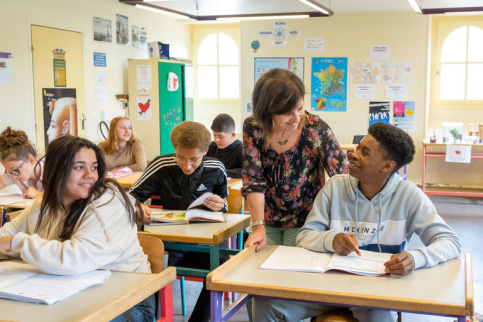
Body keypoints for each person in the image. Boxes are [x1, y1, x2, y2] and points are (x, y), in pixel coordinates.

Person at [253, 122, 461, 322]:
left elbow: (450, 242)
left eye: (365, 153)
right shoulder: (335, 187)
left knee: (381, 317)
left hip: (374, 294)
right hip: (326, 288)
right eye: (358, 148)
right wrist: (332, 240)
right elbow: (305, 236)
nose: (352, 155)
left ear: (387, 166)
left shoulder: (409, 196)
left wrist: (416, 258)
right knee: (265, 304)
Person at [0, 135, 153, 321]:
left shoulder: (107, 201)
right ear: (57, 170)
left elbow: (75, 259)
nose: (91, 175)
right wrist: (9, 242)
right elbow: (6, 235)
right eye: (79, 167)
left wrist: (16, 243)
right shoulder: (44, 204)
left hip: (128, 300)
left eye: (94, 167)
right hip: (71, 294)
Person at [129, 121, 228, 322]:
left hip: (203, 243)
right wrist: (140, 207)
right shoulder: (161, 165)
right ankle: (151, 317)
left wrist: (221, 204)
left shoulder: (216, 168)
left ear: (205, 151)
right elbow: (129, 199)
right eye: (180, 157)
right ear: (174, 149)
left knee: (222, 266)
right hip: (167, 243)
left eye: (194, 159)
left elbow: (224, 204)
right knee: (149, 265)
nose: (187, 165)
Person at [243, 68, 349, 251]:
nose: (296, 118)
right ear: (267, 111)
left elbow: (343, 176)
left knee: (294, 273)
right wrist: (258, 225)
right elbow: (253, 180)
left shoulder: (316, 128)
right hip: (267, 217)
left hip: (307, 220)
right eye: (286, 113)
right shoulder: (253, 127)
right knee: (264, 270)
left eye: (299, 108)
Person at [0, 127, 44, 199]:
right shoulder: (13, 173)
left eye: (15, 170)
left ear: (31, 160)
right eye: (9, 172)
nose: (14, 177)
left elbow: (66, 197)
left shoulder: (53, 170)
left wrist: (39, 195)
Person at [207, 114, 242, 178]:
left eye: (221, 136)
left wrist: (221, 172)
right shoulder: (211, 146)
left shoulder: (241, 149)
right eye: (214, 135)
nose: (216, 140)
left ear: (233, 135)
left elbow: (245, 171)